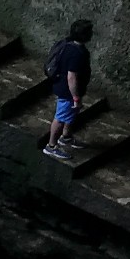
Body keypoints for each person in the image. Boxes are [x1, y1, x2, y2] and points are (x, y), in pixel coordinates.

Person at [42, 19, 92, 160]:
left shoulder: (68, 45)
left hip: (69, 89)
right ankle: (51, 146)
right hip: (67, 91)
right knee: (60, 118)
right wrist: (75, 97)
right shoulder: (77, 53)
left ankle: (66, 137)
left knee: (70, 113)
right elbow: (72, 77)